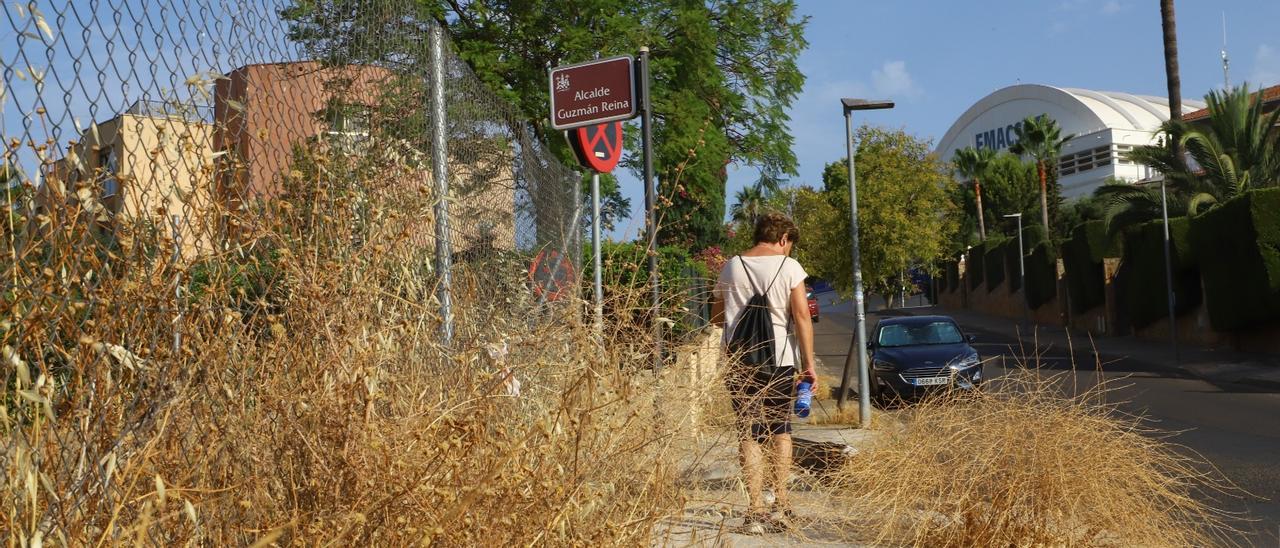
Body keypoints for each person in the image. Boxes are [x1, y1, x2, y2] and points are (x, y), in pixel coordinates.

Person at [711, 213, 818, 534]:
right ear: (783, 238)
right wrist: (808, 364)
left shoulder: (731, 266)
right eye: (790, 245)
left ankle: (754, 510)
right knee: (780, 431)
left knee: (749, 433)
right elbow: (801, 315)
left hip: (739, 361)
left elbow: (716, 318)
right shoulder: (789, 268)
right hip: (780, 362)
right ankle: (781, 505)